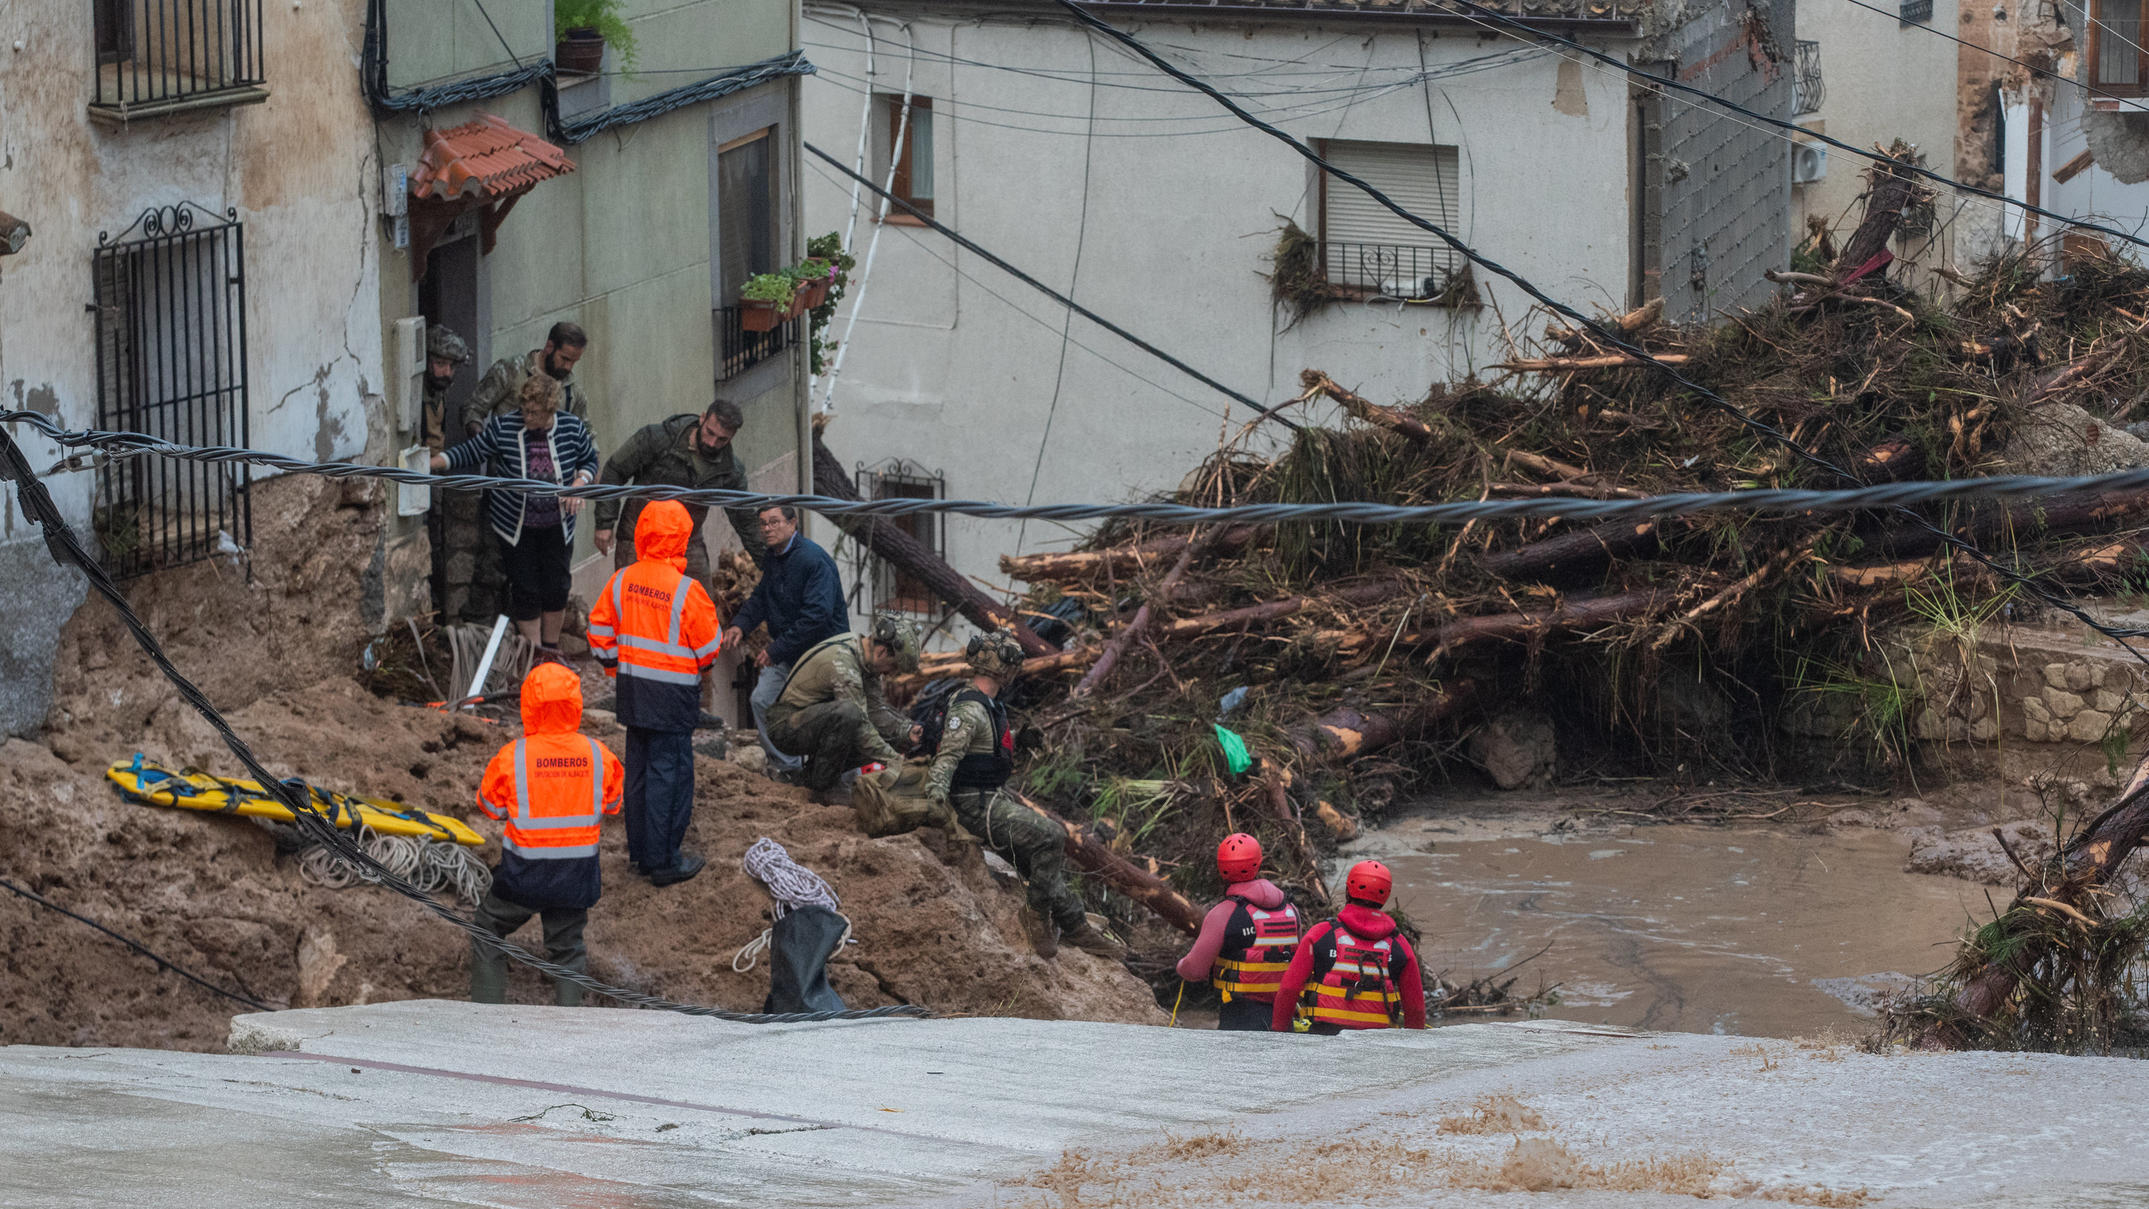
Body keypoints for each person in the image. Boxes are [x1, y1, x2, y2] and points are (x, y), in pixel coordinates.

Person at [925, 631, 1123, 960]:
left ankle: (1075, 924)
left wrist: (1018, 739)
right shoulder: (969, 709)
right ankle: (1035, 918)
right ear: (1001, 667)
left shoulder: (988, 705)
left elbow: (983, 748)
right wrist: (936, 801)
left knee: (1040, 859)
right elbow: (947, 759)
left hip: (993, 796)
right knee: (1050, 836)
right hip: (974, 804)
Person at [469, 662, 625, 1006]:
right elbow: (613, 803)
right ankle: (569, 1027)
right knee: (568, 950)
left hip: (524, 874)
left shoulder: (514, 756)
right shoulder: (599, 754)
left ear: (528, 706)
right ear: (576, 705)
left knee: (487, 930)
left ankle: (483, 1019)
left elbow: (489, 807)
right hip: (576, 874)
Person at [587, 499, 724, 886]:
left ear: (643, 533)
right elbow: (710, 647)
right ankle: (664, 862)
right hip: (674, 697)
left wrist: (617, 666)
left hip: (632, 692)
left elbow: (598, 634)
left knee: (640, 772)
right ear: (682, 539)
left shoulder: (623, 579)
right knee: (672, 775)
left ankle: (641, 855)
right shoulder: (687, 590)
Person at [433, 373, 599, 657]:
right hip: (517, 525)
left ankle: (551, 649)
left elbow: (590, 460)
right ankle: (534, 652)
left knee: (557, 586)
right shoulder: (505, 427)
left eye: (534, 412)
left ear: (550, 411)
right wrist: (434, 463)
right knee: (526, 588)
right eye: (524, 409)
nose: (527, 416)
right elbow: (473, 451)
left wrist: (578, 484)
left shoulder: (571, 427)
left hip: (557, 524)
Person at [723, 503, 848, 780]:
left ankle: (841, 779)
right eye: (763, 524)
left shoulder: (812, 561)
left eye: (775, 522)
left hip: (822, 655)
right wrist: (740, 625)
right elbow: (762, 598)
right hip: (790, 653)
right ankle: (788, 769)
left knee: (831, 716)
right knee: (762, 700)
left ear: (793, 524)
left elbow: (818, 616)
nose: (768, 529)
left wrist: (776, 648)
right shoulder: (774, 557)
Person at [592, 399, 766, 580]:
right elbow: (615, 469)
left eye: (722, 439)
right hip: (639, 537)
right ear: (703, 418)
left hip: (688, 543)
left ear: (732, 437)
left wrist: (770, 566)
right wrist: (604, 523)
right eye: (710, 432)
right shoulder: (658, 438)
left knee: (701, 603)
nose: (712, 443)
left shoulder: (730, 470)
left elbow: (745, 520)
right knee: (636, 600)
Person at [763, 614, 920, 797]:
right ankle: (824, 787)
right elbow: (859, 724)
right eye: (893, 667)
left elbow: (876, 711)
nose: (889, 674)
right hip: (785, 726)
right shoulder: (844, 662)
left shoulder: (866, 661)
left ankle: (809, 779)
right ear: (882, 652)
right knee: (849, 714)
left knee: (894, 735)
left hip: (812, 720)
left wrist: (906, 730)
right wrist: (894, 761)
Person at [1271, 860, 1427, 1035]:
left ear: (1347, 891)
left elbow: (1289, 989)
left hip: (1323, 1040)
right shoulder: (1400, 945)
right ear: (1385, 896)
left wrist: (1280, 1033)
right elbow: (1416, 1008)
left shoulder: (1320, 934)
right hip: (1379, 1047)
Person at [1175, 833, 1302, 1030]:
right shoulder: (1291, 910)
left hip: (1240, 1017)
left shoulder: (1223, 913)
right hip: (1284, 1017)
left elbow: (1194, 970)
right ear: (1259, 863)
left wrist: (1181, 966)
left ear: (1221, 868)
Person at [462, 320, 591, 435]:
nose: (568, 367)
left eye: (574, 362)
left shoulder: (573, 390)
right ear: (550, 347)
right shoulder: (512, 370)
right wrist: (483, 444)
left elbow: (586, 434)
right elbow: (473, 409)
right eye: (564, 359)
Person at [420, 325, 470, 454]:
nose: (447, 372)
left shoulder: (440, 388)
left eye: (452, 366)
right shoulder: (417, 395)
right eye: (440, 363)